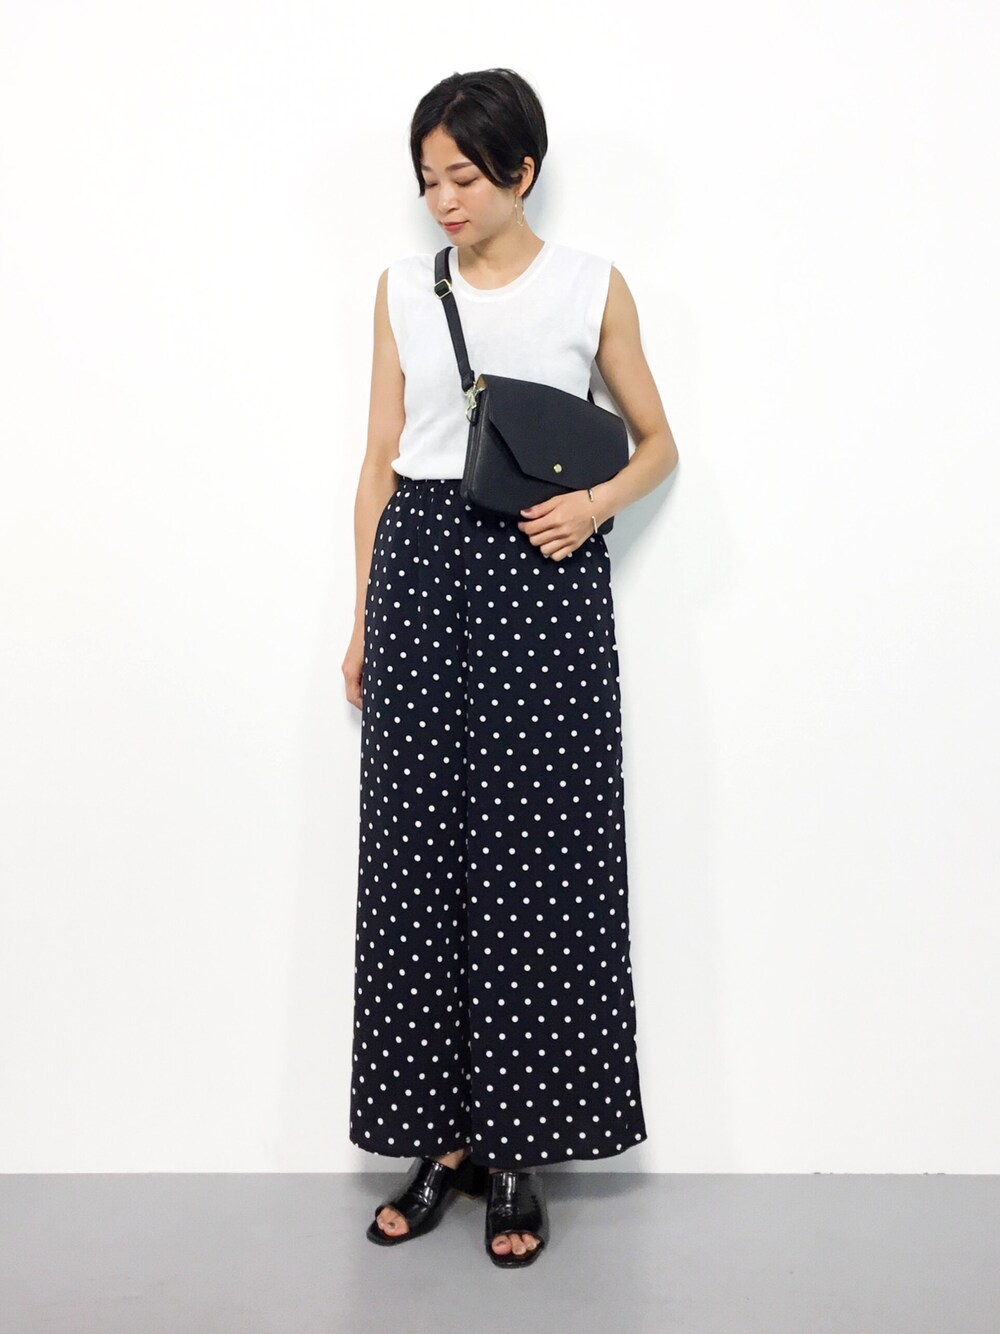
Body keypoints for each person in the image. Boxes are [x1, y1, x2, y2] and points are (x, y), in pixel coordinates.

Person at [342, 67, 678, 1268]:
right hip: (424, 570)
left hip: (543, 572)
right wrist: (364, 617)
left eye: (465, 177)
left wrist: (592, 505)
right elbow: (379, 461)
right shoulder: (400, 288)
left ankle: (519, 1146)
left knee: (541, 861)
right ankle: (439, 1144)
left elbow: (660, 443)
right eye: (428, 179)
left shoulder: (590, 286)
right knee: (419, 861)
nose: (443, 198)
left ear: (521, 171)